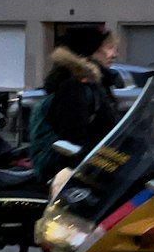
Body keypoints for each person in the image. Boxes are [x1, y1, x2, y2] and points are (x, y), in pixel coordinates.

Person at [34, 24, 119, 180]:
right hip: (75, 177)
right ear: (90, 51)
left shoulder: (97, 84)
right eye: (109, 47)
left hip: (92, 170)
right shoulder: (74, 87)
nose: (114, 54)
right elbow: (73, 142)